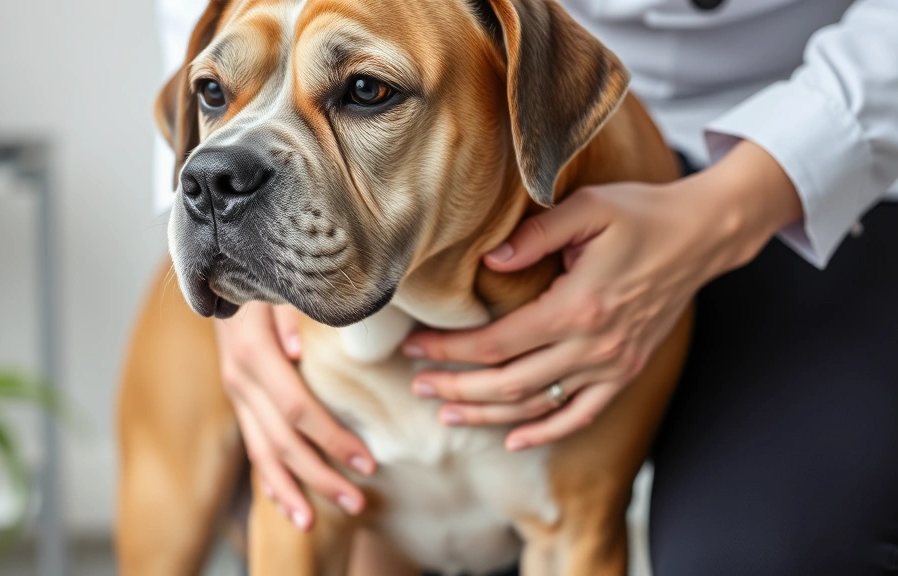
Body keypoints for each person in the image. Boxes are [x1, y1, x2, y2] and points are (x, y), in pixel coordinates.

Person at [155, 0, 898, 573]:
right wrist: (239, 241)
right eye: (218, 93)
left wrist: (750, 189)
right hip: (475, 104)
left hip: (803, 135)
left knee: (762, 552)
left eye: (364, 90)